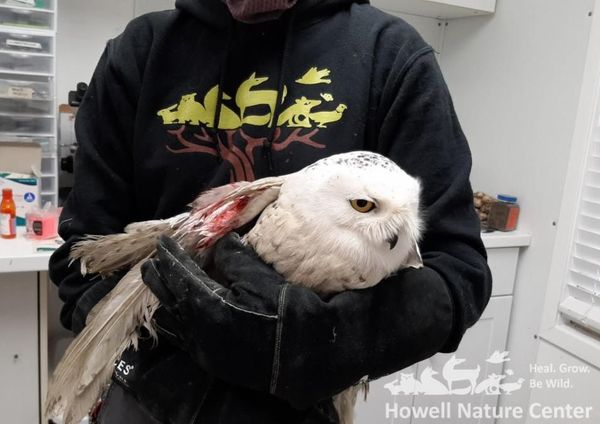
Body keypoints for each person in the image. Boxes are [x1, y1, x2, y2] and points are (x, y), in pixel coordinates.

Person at [49, 0, 492, 423]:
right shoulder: (142, 49)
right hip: (145, 394)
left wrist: (323, 344)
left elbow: (458, 273)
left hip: (299, 409)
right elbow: (83, 257)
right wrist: (161, 367)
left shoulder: (390, 55)